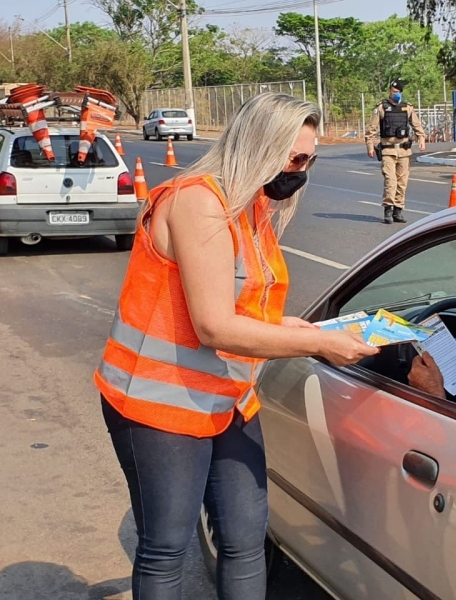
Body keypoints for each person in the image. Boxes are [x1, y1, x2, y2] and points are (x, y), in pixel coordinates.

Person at [93, 93, 378, 600]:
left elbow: (245, 305)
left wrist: (306, 329)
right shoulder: (197, 202)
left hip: (228, 398)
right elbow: (216, 328)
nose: (301, 171)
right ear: (260, 146)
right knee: (167, 549)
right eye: (294, 158)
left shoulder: (250, 207)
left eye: (309, 160)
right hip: (160, 407)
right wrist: (315, 348)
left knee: (246, 538)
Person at [365, 78, 427, 224]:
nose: (396, 94)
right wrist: (369, 145)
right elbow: (371, 129)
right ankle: (388, 209)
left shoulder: (408, 107)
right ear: (390, 92)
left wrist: (421, 138)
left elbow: (417, 125)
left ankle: (398, 210)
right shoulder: (382, 108)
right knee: (390, 181)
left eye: (398, 92)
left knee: (402, 182)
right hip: (388, 151)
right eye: (393, 92)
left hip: (404, 152)